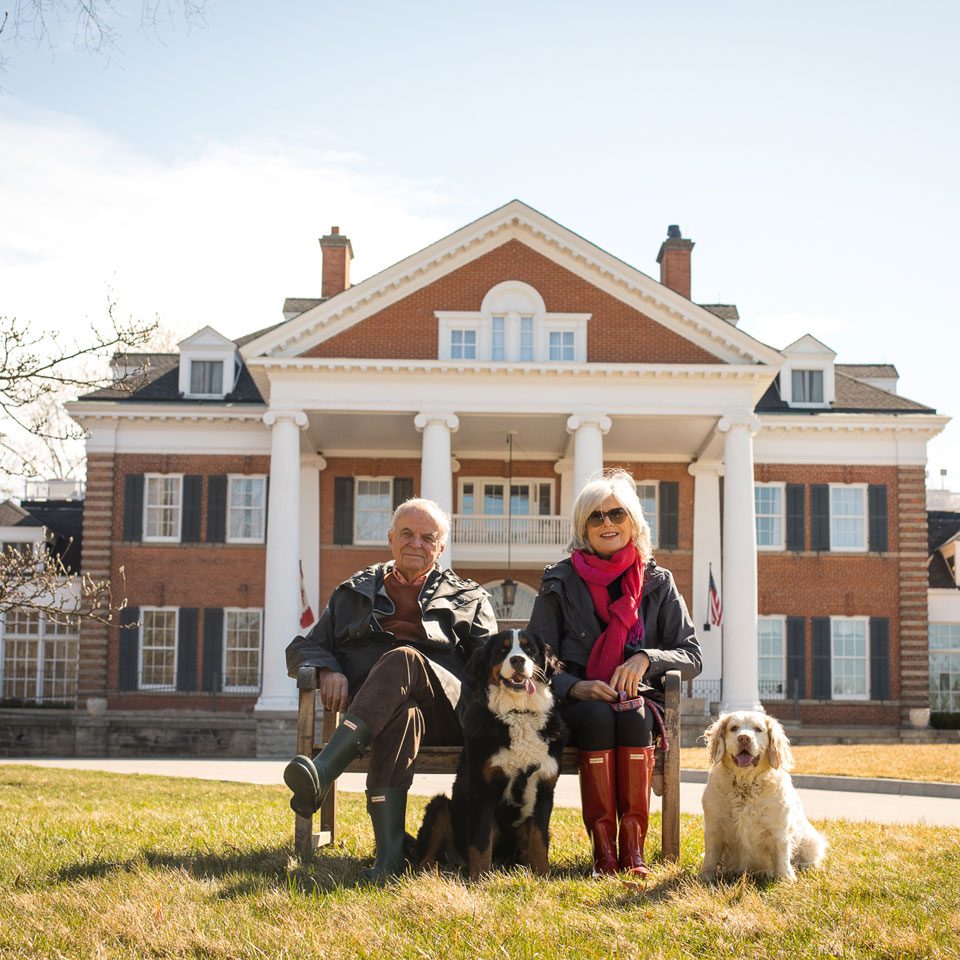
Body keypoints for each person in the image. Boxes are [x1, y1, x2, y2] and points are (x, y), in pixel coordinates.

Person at [283, 497, 498, 880]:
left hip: (450, 713)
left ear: (441, 547)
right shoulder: (354, 593)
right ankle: (390, 858)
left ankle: (323, 770)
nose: (416, 543)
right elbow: (306, 645)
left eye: (428, 537)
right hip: (381, 716)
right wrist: (328, 668)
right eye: (407, 534)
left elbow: (491, 666)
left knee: (404, 658)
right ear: (390, 539)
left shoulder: (469, 598)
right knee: (403, 714)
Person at [527, 469, 701, 877]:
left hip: (638, 700)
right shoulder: (559, 581)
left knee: (631, 712)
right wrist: (577, 686)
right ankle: (605, 848)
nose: (607, 523)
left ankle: (633, 848)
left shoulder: (658, 582)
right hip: (574, 705)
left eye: (616, 514)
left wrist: (647, 658)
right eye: (596, 517)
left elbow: (691, 654)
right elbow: (535, 657)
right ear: (583, 528)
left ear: (634, 522)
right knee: (600, 713)